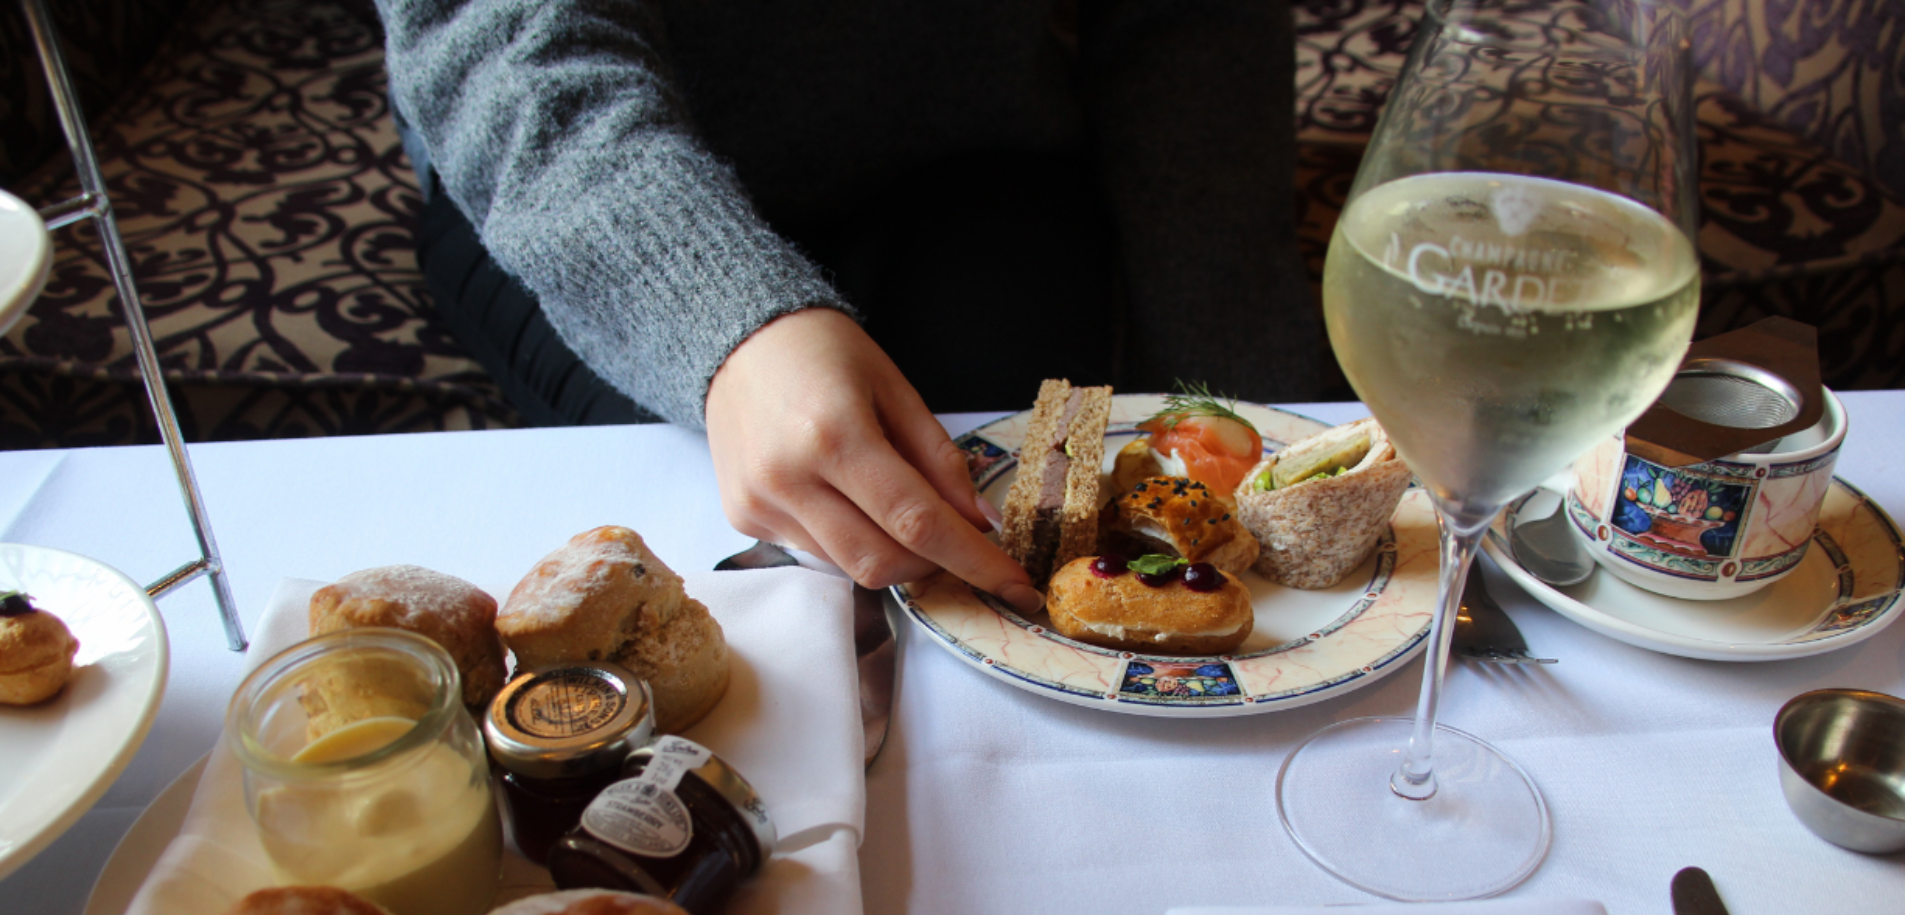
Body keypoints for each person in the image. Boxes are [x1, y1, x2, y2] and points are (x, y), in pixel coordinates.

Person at [375, 0, 1318, 613]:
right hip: (577, 181)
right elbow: (505, 41)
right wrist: (723, 320)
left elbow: (1194, 25)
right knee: (747, 561)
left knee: (967, 527)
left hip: (966, 148)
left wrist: (1256, 406)